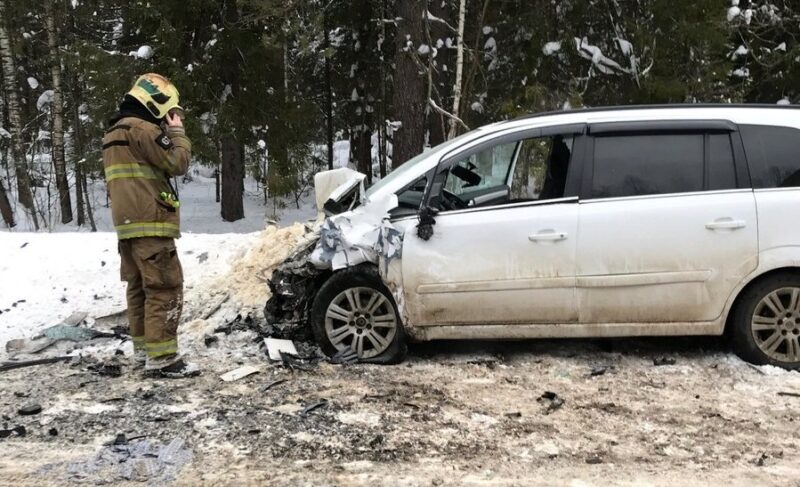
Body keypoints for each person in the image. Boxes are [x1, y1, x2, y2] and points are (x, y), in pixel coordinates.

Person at [103, 73, 198, 378]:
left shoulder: (113, 133)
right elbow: (177, 163)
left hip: (127, 225)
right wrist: (178, 133)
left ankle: (145, 350)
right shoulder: (143, 130)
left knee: (138, 288)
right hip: (151, 221)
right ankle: (163, 358)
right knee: (164, 287)